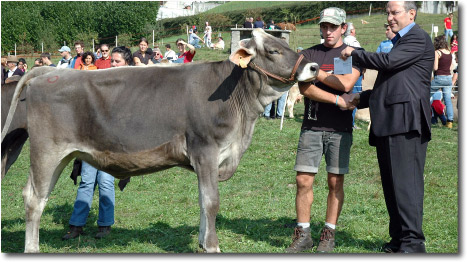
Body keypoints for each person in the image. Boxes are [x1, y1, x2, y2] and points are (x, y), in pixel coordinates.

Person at [340, 1, 434, 253]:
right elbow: (391, 86)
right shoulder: (400, 43)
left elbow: (388, 63)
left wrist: (354, 52)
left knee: (406, 185)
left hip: (406, 122)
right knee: (393, 186)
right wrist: (361, 98)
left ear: (411, 13)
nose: (390, 17)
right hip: (391, 122)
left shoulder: (417, 38)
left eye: (395, 12)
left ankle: (413, 243)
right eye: (388, 13)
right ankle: (399, 239)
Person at [285, 7, 362, 253]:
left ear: (343, 28)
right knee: (303, 179)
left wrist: (316, 72)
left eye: (333, 27)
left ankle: (328, 234)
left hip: (340, 129)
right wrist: (338, 100)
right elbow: (306, 89)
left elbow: (346, 82)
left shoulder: (351, 53)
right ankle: (303, 233)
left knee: (334, 181)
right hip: (311, 125)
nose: (328, 31)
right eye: (324, 26)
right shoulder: (309, 53)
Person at [62, 46, 132, 241]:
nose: (113, 64)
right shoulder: (102, 81)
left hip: (114, 144)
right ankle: (76, 225)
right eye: (113, 61)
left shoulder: (131, 87)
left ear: (126, 63)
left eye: (117, 61)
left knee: (106, 182)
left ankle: (105, 225)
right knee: (86, 182)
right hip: (93, 140)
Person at [430, 35, 453, 128]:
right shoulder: (449, 52)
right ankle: (450, 122)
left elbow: (435, 67)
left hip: (439, 77)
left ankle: (421, 116)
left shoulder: (437, 52)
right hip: (448, 78)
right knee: (448, 100)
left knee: (425, 94)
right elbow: (451, 67)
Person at [343, 22, 363, 130]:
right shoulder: (352, 41)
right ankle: (351, 123)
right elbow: (359, 57)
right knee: (354, 97)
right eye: (354, 29)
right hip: (354, 74)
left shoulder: (344, 41)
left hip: (347, 72)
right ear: (351, 31)